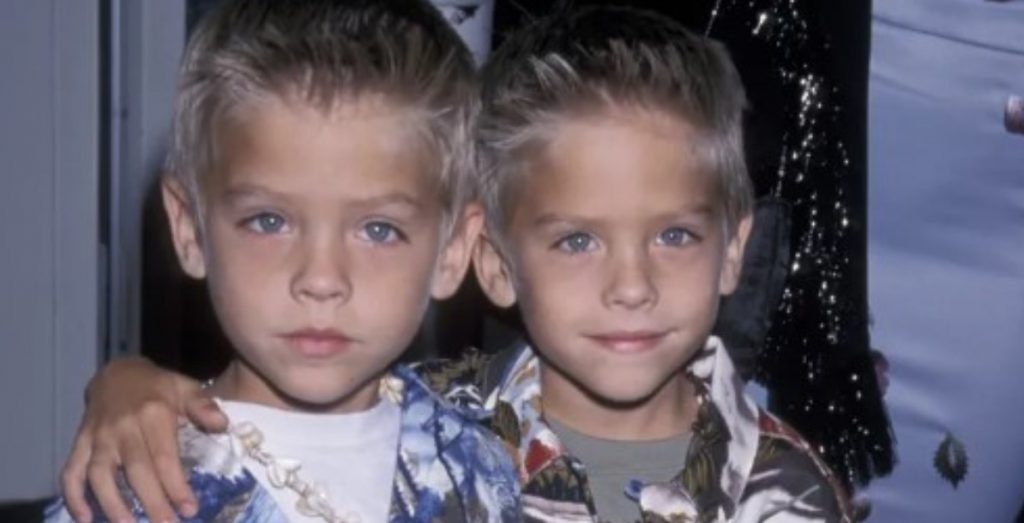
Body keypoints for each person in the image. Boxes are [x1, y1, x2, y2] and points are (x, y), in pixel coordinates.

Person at [61, 5, 852, 522]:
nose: (631, 286)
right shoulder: (470, 422)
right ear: (487, 259)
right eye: (269, 221)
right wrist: (125, 385)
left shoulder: (459, 443)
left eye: (673, 236)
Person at [46, 1, 520, 522]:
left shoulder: (485, 464)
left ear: (453, 250)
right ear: (189, 228)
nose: (321, 279)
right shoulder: (132, 496)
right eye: (269, 221)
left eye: (378, 230)